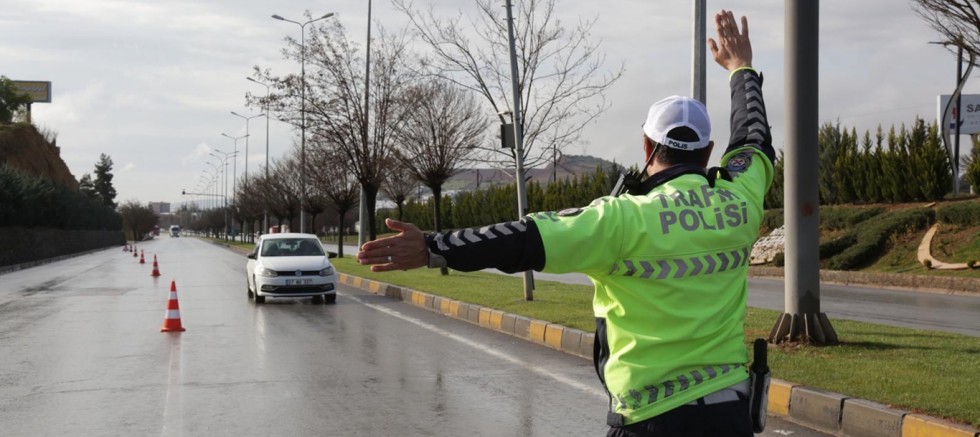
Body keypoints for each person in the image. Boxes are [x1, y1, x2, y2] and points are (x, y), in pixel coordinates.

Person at [357, 9, 774, 437]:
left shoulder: (620, 219)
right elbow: (753, 138)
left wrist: (433, 246)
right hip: (729, 417)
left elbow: (520, 239)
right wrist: (740, 68)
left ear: (647, 145)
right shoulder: (739, 201)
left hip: (651, 420)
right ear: (708, 151)